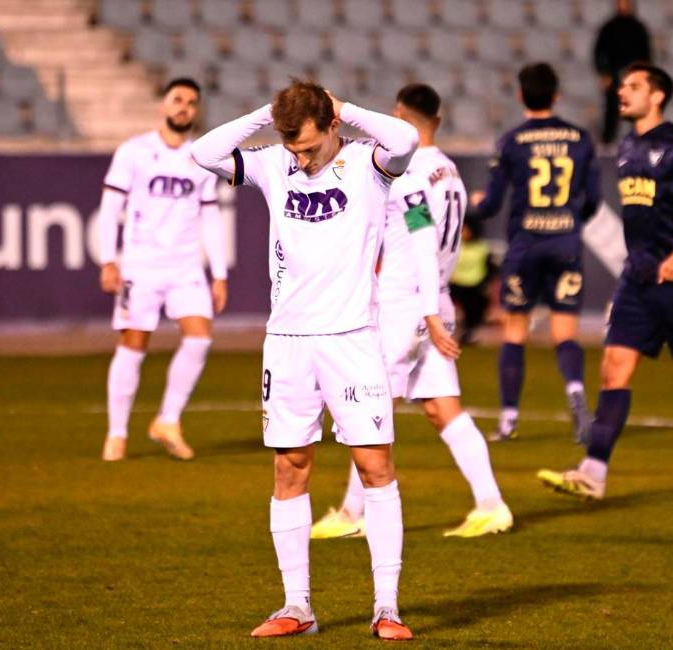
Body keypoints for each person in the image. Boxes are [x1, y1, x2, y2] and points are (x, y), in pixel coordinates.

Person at [190, 80, 418, 639]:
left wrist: (349, 109)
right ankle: (298, 607)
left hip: (351, 339)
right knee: (289, 468)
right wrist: (263, 116)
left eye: (310, 145)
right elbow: (202, 153)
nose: (301, 157)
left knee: (374, 467)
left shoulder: (371, 163)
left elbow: (408, 136)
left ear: (334, 126)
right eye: (292, 146)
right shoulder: (274, 165)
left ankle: (386, 607)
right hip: (287, 341)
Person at [311, 84, 513, 542]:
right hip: (436, 299)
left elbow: (421, 239)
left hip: (408, 303)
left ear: (399, 114)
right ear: (437, 120)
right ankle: (491, 504)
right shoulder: (449, 169)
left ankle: (352, 512)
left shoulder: (408, 171)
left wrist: (424, 313)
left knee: (366, 406)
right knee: (444, 410)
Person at [536, 63, 673, 503]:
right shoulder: (628, 145)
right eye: (622, 85)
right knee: (614, 368)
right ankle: (594, 473)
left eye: (633, 86)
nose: (622, 92)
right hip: (637, 277)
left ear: (658, 96)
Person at [97, 77, 228, 462]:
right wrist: (109, 259)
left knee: (200, 338)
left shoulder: (201, 157)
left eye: (191, 102)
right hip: (141, 265)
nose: (184, 107)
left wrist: (218, 273)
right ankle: (117, 434)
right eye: (178, 100)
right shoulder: (134, 152)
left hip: (186, 266)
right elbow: (109, 209)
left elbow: (210, 218)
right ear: (163, 106)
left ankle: (168, 420)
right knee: (133, 346)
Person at [470, 62, 601, 445]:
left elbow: (492, 204)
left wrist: (475, 205)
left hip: (525, 246)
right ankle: (576, 395)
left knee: (515, 332)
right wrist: (570, 220)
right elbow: (593, 200)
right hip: (565, 243)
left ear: (520, 95)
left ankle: (509, 419)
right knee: (565, 333)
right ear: (556, 95)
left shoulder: (512, 141)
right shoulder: (580, 139)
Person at [593, 0, 652, 144]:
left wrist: (644, 74)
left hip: (634, 74)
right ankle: (607, 141)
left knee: (637, 107)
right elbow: (598, 52)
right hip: (614, 73)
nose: (623, 5)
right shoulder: (609, 27)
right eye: (620, 2)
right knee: (612, 108)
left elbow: (646, 54)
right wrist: (603, 73)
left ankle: (639, 140)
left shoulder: (638, 27)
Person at [449, 217, 494, 346]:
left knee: (475, 309)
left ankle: (469, 333)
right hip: (456, 284)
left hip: (475, 284)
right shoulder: (455, 246)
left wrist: (486, 283)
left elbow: (489, 268)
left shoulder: (481, 248)